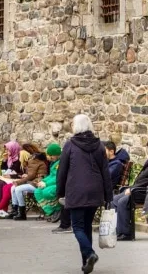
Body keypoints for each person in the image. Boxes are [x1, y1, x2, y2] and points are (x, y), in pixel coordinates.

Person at [57, 114, 113, 274]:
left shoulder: (70, 145)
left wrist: (59, 191)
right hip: (95, 191)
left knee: (77, 227)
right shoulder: (100, 146)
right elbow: (105, 172)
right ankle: (86, 263)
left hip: (77, 190)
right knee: (86, 226)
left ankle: (89, 254)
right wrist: (108, 196)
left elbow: (62, 170)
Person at [111, 155, 148, 242]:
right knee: (114, 200)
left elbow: (145, 181)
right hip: (136, 189)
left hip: (142, 192)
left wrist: (132, 189)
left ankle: (126, 233)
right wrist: (131, 188)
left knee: (122, 201)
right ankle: (118, 231)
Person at [9, 143, 49, 220]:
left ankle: (22, 213)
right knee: (13, 188)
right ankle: (15, 210)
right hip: (33, 181)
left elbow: (31, 176)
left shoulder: (33, 160)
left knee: (17, 188)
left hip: (37, 183)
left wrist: (19, 182)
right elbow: (31, 174)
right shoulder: (34, 159)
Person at [0, 141, 24, 212]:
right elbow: (3, 170)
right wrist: (4, 160)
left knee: (0, 184)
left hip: (16, 178)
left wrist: (11, 175)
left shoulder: (19, 159)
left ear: (13, 149)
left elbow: (20, 172)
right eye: (6, 149)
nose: (6, 151)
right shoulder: (10, 159)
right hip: (8, 178)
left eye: (8, 149)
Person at [34, 143, 63, 222]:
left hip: (60, 184)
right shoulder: (54, 163)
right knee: (37, 192)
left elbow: (57, 177)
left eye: (51, 155)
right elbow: (51, 175)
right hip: (54, 182)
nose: (50, 157)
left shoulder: (60, 162)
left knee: (47, 192)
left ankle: (58, 208)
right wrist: (43, 181)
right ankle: (51, 211)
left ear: (57, 155)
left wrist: (46, 184)